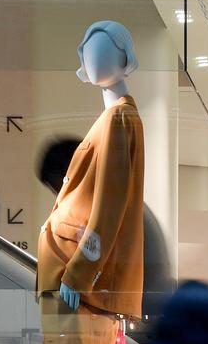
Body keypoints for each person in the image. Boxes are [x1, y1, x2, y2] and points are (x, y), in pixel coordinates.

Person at [37, 138, 174, 324]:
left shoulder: (105, 209)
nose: (61, 195)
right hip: (146, 311)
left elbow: (97, 266)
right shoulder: (119, 200)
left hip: (136, 316)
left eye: (58, 186)